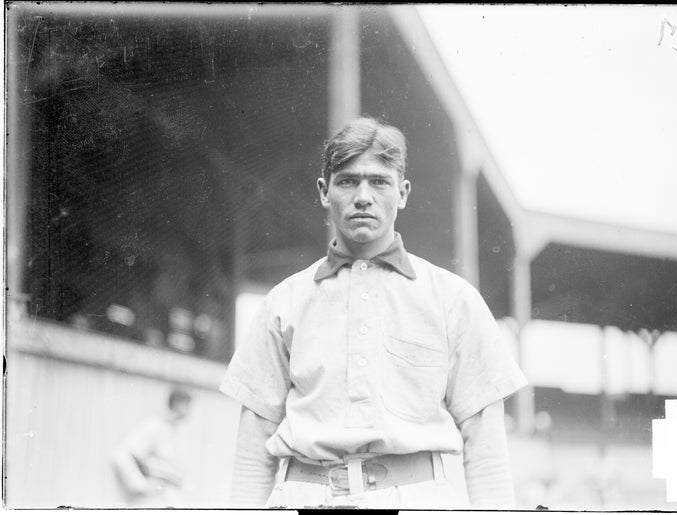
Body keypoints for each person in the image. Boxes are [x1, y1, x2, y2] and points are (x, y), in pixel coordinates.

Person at [219, 117, 527, 509]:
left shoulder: (453, 299)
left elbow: (485, 450)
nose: (363, 196)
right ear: (323, 192)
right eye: (347, 181)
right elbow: (252, 450)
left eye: (379, 181)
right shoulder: (284, 301)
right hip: (304, 496)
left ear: (402, 192)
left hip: (417, 500)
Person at [111, 388, 192, 507]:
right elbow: (121, 454)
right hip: (150, 500)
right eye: (187, 405)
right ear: (178, 404)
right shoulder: (155, 426)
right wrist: (140, 486)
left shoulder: (174, 431)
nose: (189, 411)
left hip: (166, 494)